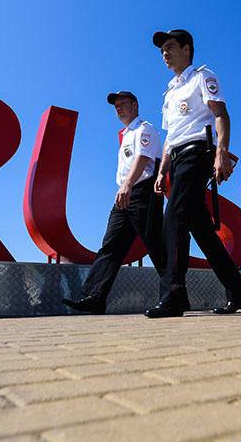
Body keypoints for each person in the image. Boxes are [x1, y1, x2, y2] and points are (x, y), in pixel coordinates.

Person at [145, 29, 241, 318]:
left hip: (198, 152)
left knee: (173, 220)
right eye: (162, 50)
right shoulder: (169, 92)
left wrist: (221, 152)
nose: (165, 53)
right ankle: (238, 291)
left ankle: (174, 296)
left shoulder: (202, 77)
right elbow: (170, 136)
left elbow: (220, 113)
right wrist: (162, 170)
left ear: (186, 49)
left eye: (170, 47)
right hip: (178, 157)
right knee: (202, 231)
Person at [62, 91, 163, 314]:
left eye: (122, 104)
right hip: (124, 193)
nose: (118, 108)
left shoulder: (144, 129)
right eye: (115, 106)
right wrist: (123, 188)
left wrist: (127, 185)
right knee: (111, 245)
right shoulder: (125, 134)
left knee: (155, 244)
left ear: (135, 105)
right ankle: (95, 297)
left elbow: (143, 159)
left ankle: (174, 293)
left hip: (142, 191)